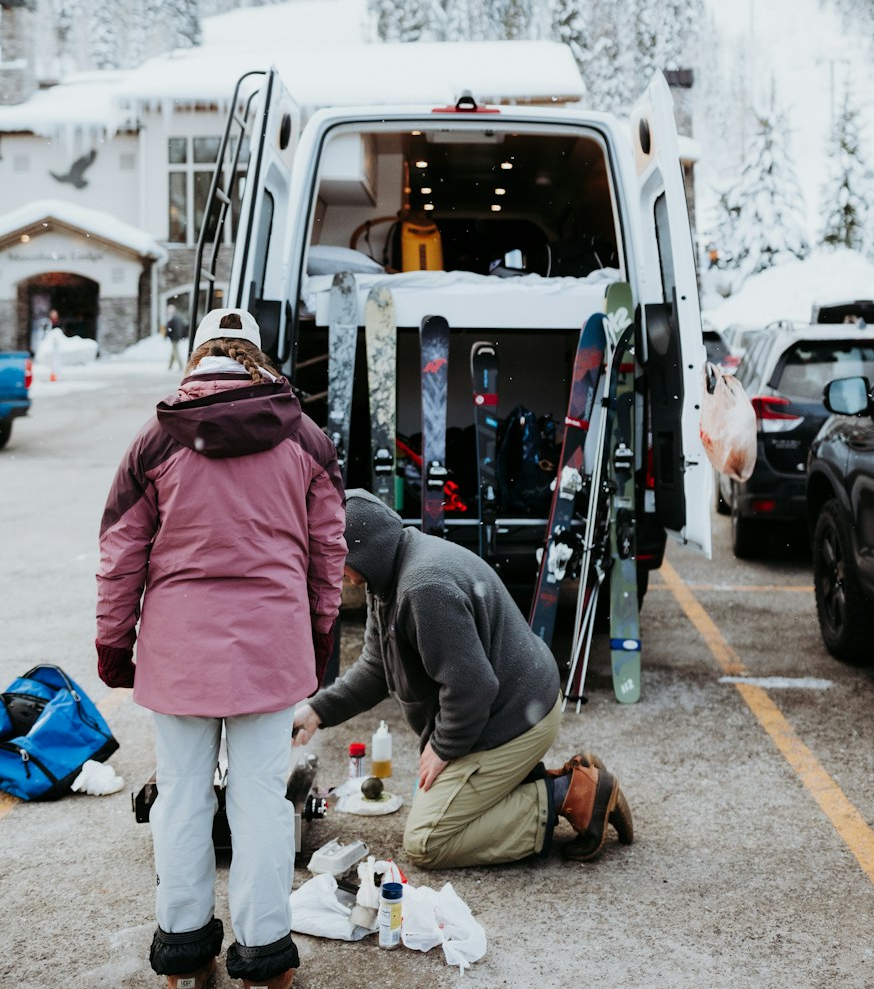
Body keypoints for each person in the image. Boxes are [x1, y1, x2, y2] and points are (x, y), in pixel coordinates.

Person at [95, 308, 346, 989]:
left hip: (180, 653)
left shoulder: (155, 438)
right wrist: (322, 637)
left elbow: (121, 553)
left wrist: (115, 643)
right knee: (262, 800)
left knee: (181, 795)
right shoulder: (305, 438)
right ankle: (265, 961)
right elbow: (328, 553)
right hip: (270, 648)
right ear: (256, 360)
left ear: (200, 356)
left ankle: (183, 955)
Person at [292, 490, 634, 869]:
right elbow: (377, 666)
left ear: (363, 552)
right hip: (505, 705)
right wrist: (316, 712)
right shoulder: (387, 574)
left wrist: (444, 747)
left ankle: (573, 792)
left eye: (336, 561)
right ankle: (528, 783)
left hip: (513, 716)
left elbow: (473, 687)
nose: (333, 573)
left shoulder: (423, 588)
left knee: (428, 840)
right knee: (438, 805)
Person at [163, 304, 186, 369]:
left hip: (174, 337)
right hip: (177, 337)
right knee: (174, 351)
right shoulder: (178, 318)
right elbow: (182, 328)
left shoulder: (172, 319)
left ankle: (180, 365)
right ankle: (170, 366)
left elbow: (168, 329)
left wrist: (166, 335)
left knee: (175, 351)